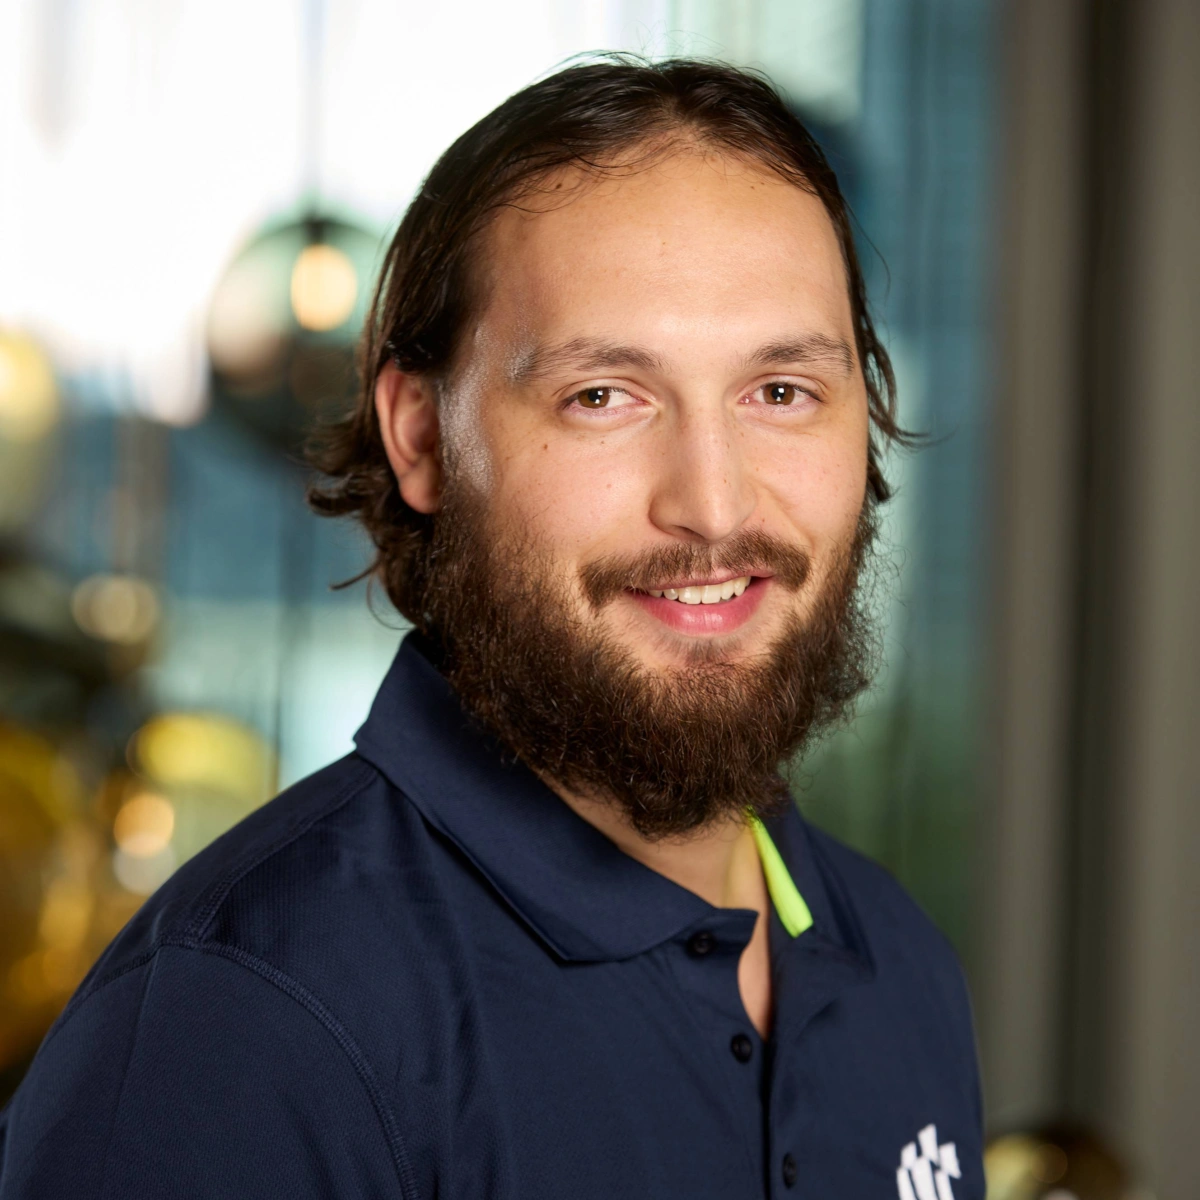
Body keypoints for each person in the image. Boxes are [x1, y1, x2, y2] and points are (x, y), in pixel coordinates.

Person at [0, 57, 983, 1199]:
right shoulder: (238, 1035)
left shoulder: (900, 964)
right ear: (421, 438)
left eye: (781, 392)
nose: (716, 507)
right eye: (602, 396)